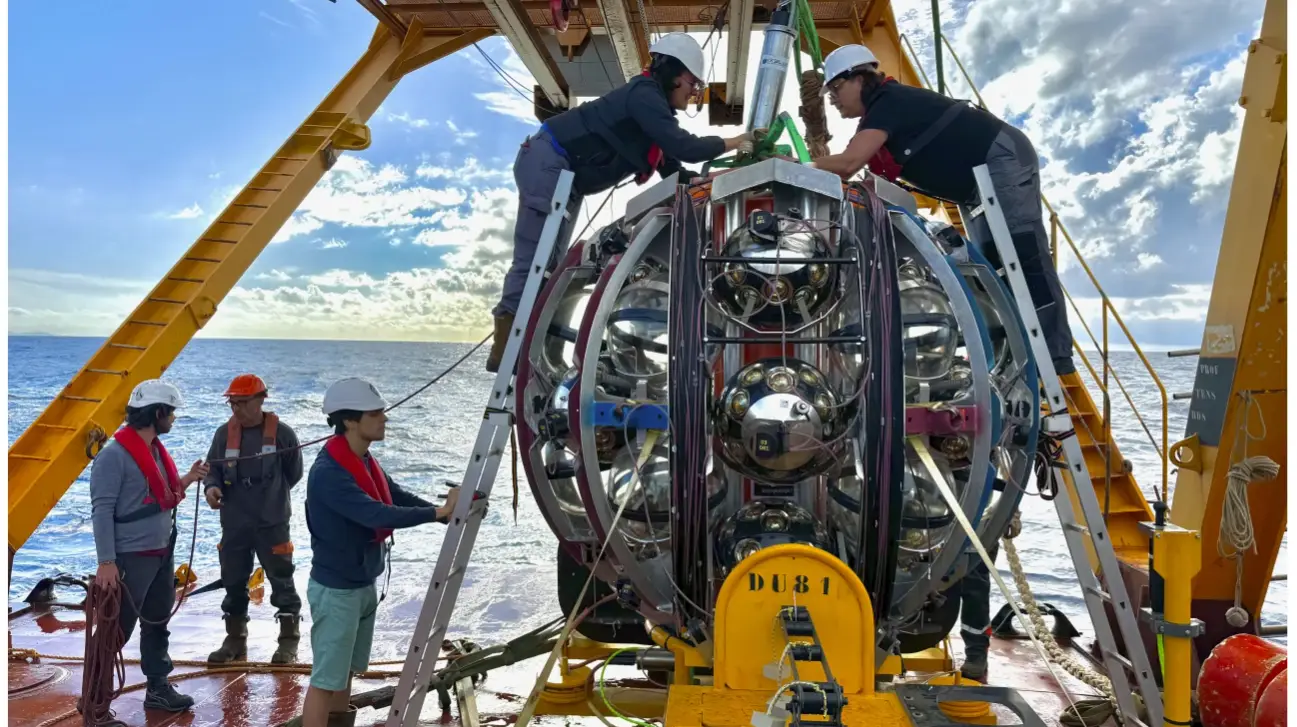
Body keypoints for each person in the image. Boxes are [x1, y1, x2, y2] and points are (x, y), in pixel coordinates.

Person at [486, 32, 757, 373]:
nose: (694, 91)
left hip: (566, 178)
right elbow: (684, 146)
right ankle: (505, 346)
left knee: (553, 266)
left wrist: (714, 181)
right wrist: (736, 141)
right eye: (693, 82)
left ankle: (534, 347)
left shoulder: (651, 119)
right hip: (549, 161)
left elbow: (676, 170)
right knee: (534, 258)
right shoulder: (643, 96)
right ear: (674, 72)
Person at [811, 44, 1076, 376]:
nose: (832, 99)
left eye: (836, 89)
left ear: (860, 79)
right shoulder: (880, 112)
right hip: (972, 186)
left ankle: (1054, 355)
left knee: (1021, 253)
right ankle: (1015, 354)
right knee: (991, 267)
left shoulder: (888, 102)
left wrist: (798, 165)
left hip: (1001, 159)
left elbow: (849, 163)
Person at [302, 377, 463, 727]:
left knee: (344, 673)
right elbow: (374, 513)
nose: (384, 419)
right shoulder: (329, 473)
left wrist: (441, 515)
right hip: (338, 589)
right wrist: (438, 512)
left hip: (361, 583)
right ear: (350, 421)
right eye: (375, 413)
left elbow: (394, 495)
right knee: (326, 679)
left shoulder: (362, 459)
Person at [87, 379, 209, 721]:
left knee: (157, 621)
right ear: (157, 413)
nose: (173, 419)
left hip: (160, 553)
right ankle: (93, 702)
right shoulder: (113, 457)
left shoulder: (154, 450)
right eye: (170, 413)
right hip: (130, 559)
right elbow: (102, 511)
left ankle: (158, 688)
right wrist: (107, 562)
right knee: (116, 630)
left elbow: (158, 497)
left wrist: (187, 479)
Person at [203, 373, 305, 665]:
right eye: (232, 404)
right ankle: (235, 640)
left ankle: (288, 642)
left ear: (261, 400)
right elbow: (214, 470)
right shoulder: (224, 435)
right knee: (233, 581)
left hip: (271, 522)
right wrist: (212, 488)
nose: (236, 409)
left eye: (243, 402)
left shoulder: (283, 435)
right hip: (234, 523)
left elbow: (293, 474)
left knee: (281, 580)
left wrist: (270, 497)